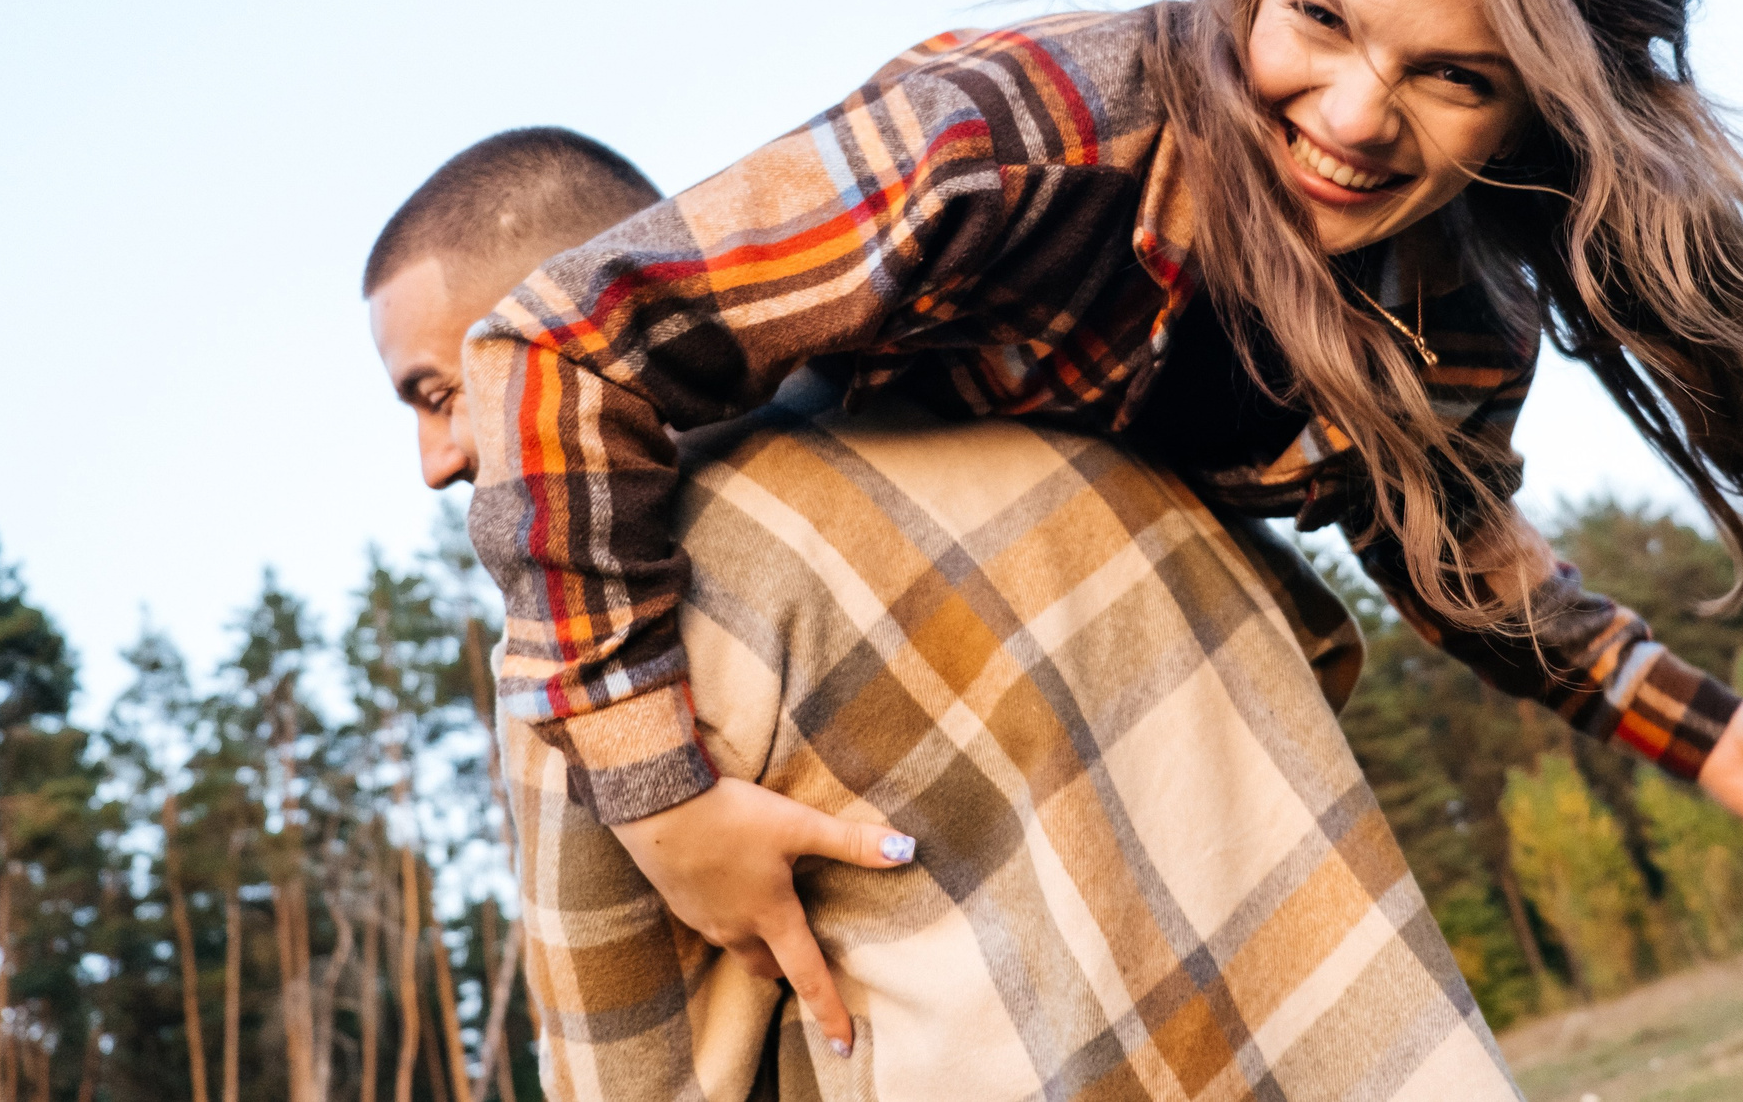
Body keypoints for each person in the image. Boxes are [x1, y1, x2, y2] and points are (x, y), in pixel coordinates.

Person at [464, 0, 1743, 1067]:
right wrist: (663, 802)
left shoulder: (1446, 314)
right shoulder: (1017, 131)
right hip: (700, 673)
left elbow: (1458, 558)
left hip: (1009, 734)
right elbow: (560, 341)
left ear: (1535, 110)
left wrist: (1708, 731)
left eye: (1453, 78)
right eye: (1322, 23)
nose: (1352, 118)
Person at [368, 127, 1531, 1098]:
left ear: (555, 317)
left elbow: (622, 1062)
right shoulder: (1078, 426)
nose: (433, 460)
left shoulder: (602, 649)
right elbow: (1321, 653)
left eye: (439, 392)